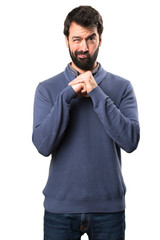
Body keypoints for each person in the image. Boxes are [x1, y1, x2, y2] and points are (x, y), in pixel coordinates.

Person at [32, 5, 140, 240]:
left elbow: (131, 141)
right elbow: (43, 146)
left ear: (100, 39)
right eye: (77, 39)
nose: (84, 47)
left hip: (109, 210)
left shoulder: (122, 88)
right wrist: (67, 96)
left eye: (91, 38)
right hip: (59, 210)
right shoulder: (47, 89)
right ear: (66, 41)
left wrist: (97, 93)